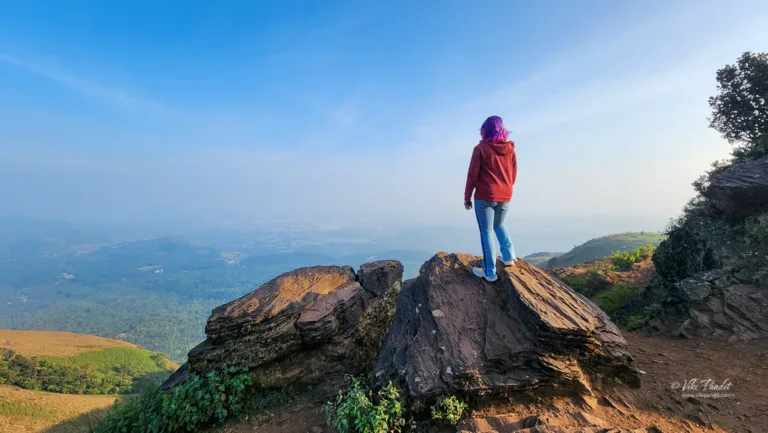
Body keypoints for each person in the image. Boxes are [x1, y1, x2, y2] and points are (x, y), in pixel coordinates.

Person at [464, 115, 518, 282]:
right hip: (505, 194)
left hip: (485, 195)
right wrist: (505, 188)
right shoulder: (511, 150)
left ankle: (489, 272)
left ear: (484, 131)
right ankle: (509, 257)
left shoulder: (480, 149)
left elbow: (472, 175)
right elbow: (513, 173)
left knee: (486, 232)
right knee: (499, 224)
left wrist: (467, 197)